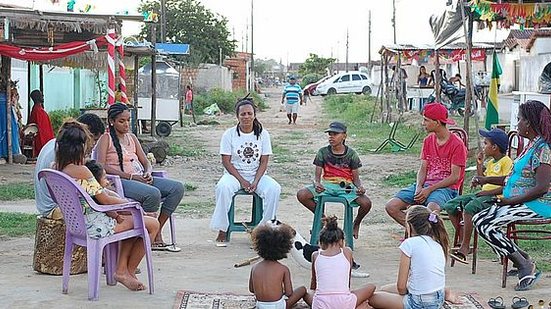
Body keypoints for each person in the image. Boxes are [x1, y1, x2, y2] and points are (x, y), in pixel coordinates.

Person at [55, 120, 159, 291]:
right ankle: (126, 271)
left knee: (133, 219)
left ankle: (123, 270)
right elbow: (105, 200)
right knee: (151, 224)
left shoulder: (58, 169)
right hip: (95, 225)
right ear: (79, 147)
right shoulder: (81, 171)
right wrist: (128, 202)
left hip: (78, 224)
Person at [473, 100, 551, 291]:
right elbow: (514, 179)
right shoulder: (532, 145)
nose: (517, 124)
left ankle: (523, 264)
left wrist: (509, 201)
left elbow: (541, 187)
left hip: (539, 205)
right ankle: (522, 258)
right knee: (479, 219)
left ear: (529, 123)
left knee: (484, 223)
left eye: (519, 120)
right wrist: (485, 180)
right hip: (526, 202)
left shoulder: (544, 149)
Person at [95, 103, 184, 252]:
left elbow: (145, 161)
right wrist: (130, 177)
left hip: (140, 178)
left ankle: (157, 230)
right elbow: (100, 165)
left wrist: (148, 172)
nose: (126, 124)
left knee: (177, 188)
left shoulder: (132, 137)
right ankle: (146, 233)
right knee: (152, 194)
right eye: (121, 121)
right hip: (119, 182)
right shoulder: (106, 139)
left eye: (128, 120)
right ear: (112, 121)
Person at [210, 98, 281, 245]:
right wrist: (242, 181)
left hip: (257, 175)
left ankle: (263, 230)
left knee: (274, 189)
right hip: (234, 175)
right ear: (237, 116)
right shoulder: (229, 134)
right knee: (223, 187)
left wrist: (255, 181)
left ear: (255, 115)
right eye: (243, 114)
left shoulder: (263, 134)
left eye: (249, 113)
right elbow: (226, 161)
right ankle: (223, 229)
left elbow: (264, 161)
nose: (246, 117)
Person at [385, 103, 467, 227]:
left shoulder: (457, 144)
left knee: (430, 212)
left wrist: (429, 189)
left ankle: (430, 237)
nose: (423, 123)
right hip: (425, 185)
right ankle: (415, 231)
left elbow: (455, 177)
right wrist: (419, 187)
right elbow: (423, 168)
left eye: (426, 120)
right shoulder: (428, 140)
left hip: (446, 189)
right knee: (391, 206)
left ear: (437, 122)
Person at [444, 128, 512, 265]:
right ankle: (463, 238)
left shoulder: (507, 162)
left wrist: (487, 192)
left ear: (494, 147)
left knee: (469, 208)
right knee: (450, 205)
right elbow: (483, 181)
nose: (483, 145)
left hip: (495, 198)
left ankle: (464, 247)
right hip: (482, 195)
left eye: (486, 143)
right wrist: (479, 164)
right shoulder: (492, 162)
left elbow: (508, 186)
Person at [297, 122, 372, 239]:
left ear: (344, 136)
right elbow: (317, 176)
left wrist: (359, 188)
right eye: (330, 134)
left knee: (366, 203)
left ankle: (356, 224)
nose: (331, 137)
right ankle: (322, 218)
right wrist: (317, 184)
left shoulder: (352, 154)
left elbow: (356, 179)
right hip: (327, 185)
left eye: (335, 134)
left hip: (346, 187)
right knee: (302, 194)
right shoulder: (323, 152)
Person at [369, 206, 449, 308]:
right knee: (384, 289)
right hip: (438, 298)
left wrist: (403, 296)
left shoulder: (409, 244)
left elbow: (401, 287)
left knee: (373, 298)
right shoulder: (437, 243)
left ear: (409, 226)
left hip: (420, 301)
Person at [34, 113, 106, 219]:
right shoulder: (68, 159)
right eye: (93, 139)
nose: (93, 144)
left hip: (46, 205)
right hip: (57, 208)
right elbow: (97, 194)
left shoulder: (55, 145)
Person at [305, 216, 375, 308]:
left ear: (321, 243)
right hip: (344, 302)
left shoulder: (315, 255)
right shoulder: (347, 252)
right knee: (371, 287)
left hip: (321, 304)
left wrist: (314, 295)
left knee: (306, 293)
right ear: (341, 241)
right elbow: (347, 280)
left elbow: (314, 283)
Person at [249, 221, 309, 309]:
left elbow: (252, 289)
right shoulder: (283, 269)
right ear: (284, 248)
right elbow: (289, 293)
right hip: (278, 306)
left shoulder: (254, 268)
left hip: (260, 305)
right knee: (302, 289)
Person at [28, 89, 55, 157]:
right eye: (41, 95)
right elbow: (39, 128)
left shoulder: (37, 109)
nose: (42, 96)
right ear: (37, 97)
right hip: (42, 138)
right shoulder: (38, 110)